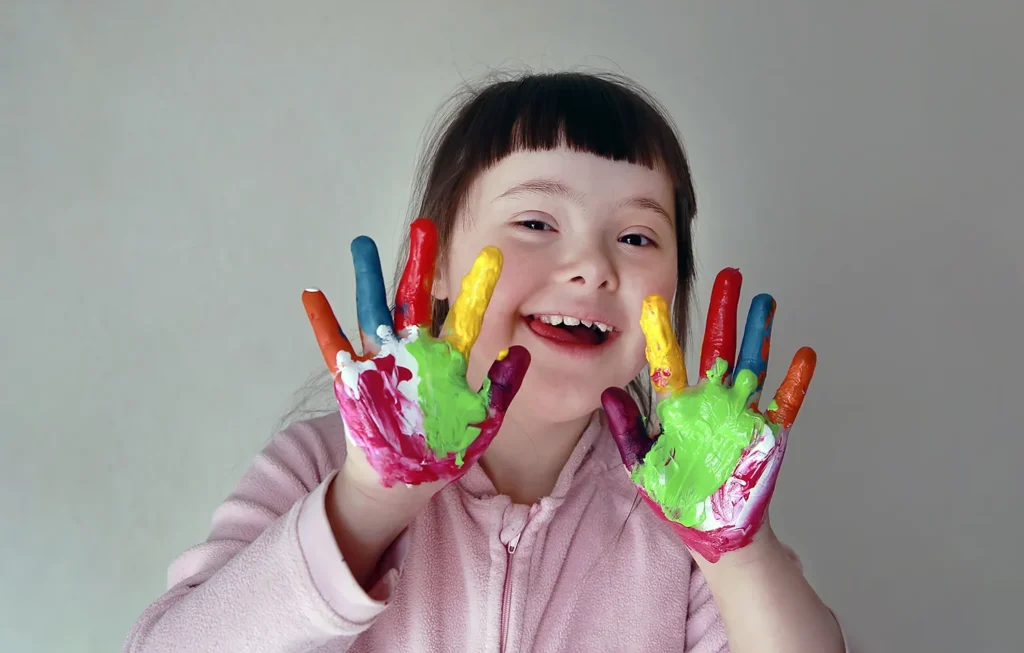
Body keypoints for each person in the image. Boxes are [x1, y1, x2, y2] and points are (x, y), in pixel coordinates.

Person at [124, 71, 848, 652]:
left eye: (636, 237)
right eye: (535, 222)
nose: (592, 266)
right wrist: (369, 503)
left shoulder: (679, 517)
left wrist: (738, 554)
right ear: (435, 270)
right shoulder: (317, 464)